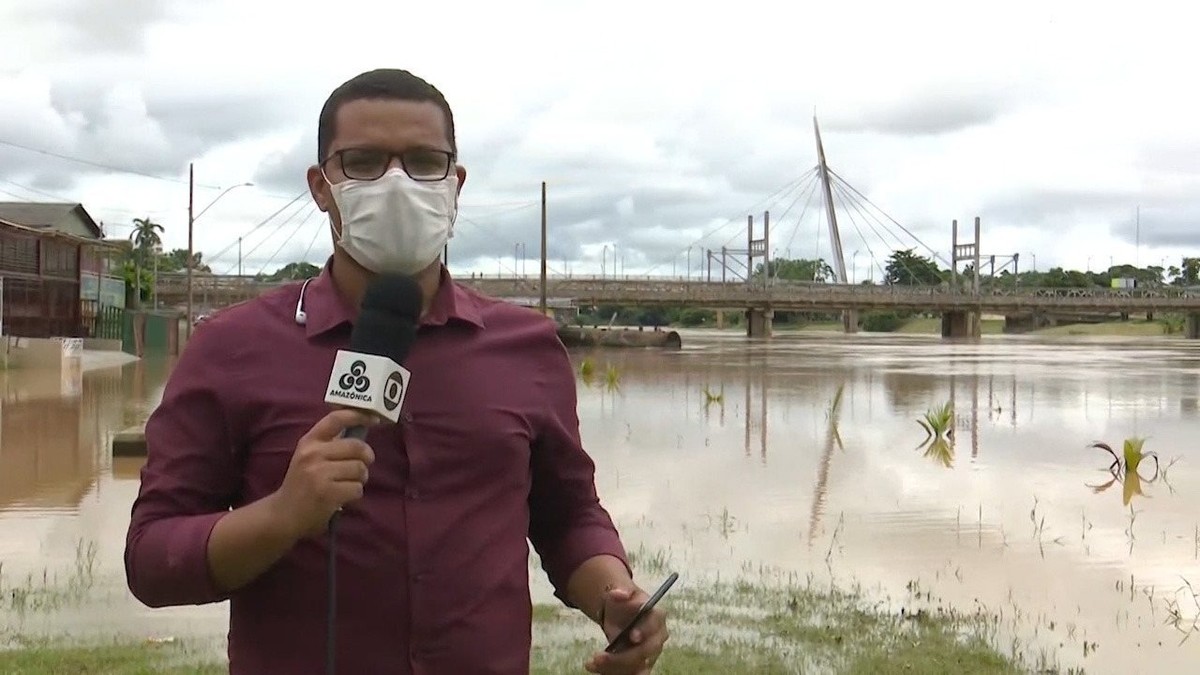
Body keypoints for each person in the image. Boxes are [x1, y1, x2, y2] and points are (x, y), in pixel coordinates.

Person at [124, 68, 670, 675]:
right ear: (321, 185)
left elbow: (568, 515)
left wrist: (612, 596)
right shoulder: (232, 348)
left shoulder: (529, 348)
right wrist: (283, 515)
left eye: (423, 161)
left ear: (455, 183)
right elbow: (151, 560)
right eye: (361, 161)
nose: (396, 183)